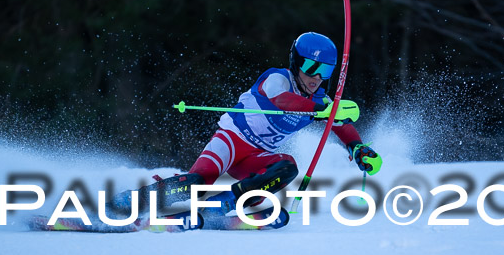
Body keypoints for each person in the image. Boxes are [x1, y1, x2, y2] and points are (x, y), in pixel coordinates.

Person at [111, 32, 382, 215]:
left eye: (325, 72)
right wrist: (321, 109)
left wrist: (357, 147)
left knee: (286, 167)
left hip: (256, 157)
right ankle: (134, 201)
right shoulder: (277, 79)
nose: (317, 78)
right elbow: (284, 102)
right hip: (231, 140)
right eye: (311, 68)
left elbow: (340, 124)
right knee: (198, 181)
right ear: (296, 62)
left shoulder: (320, 99)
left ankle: (226, 204)